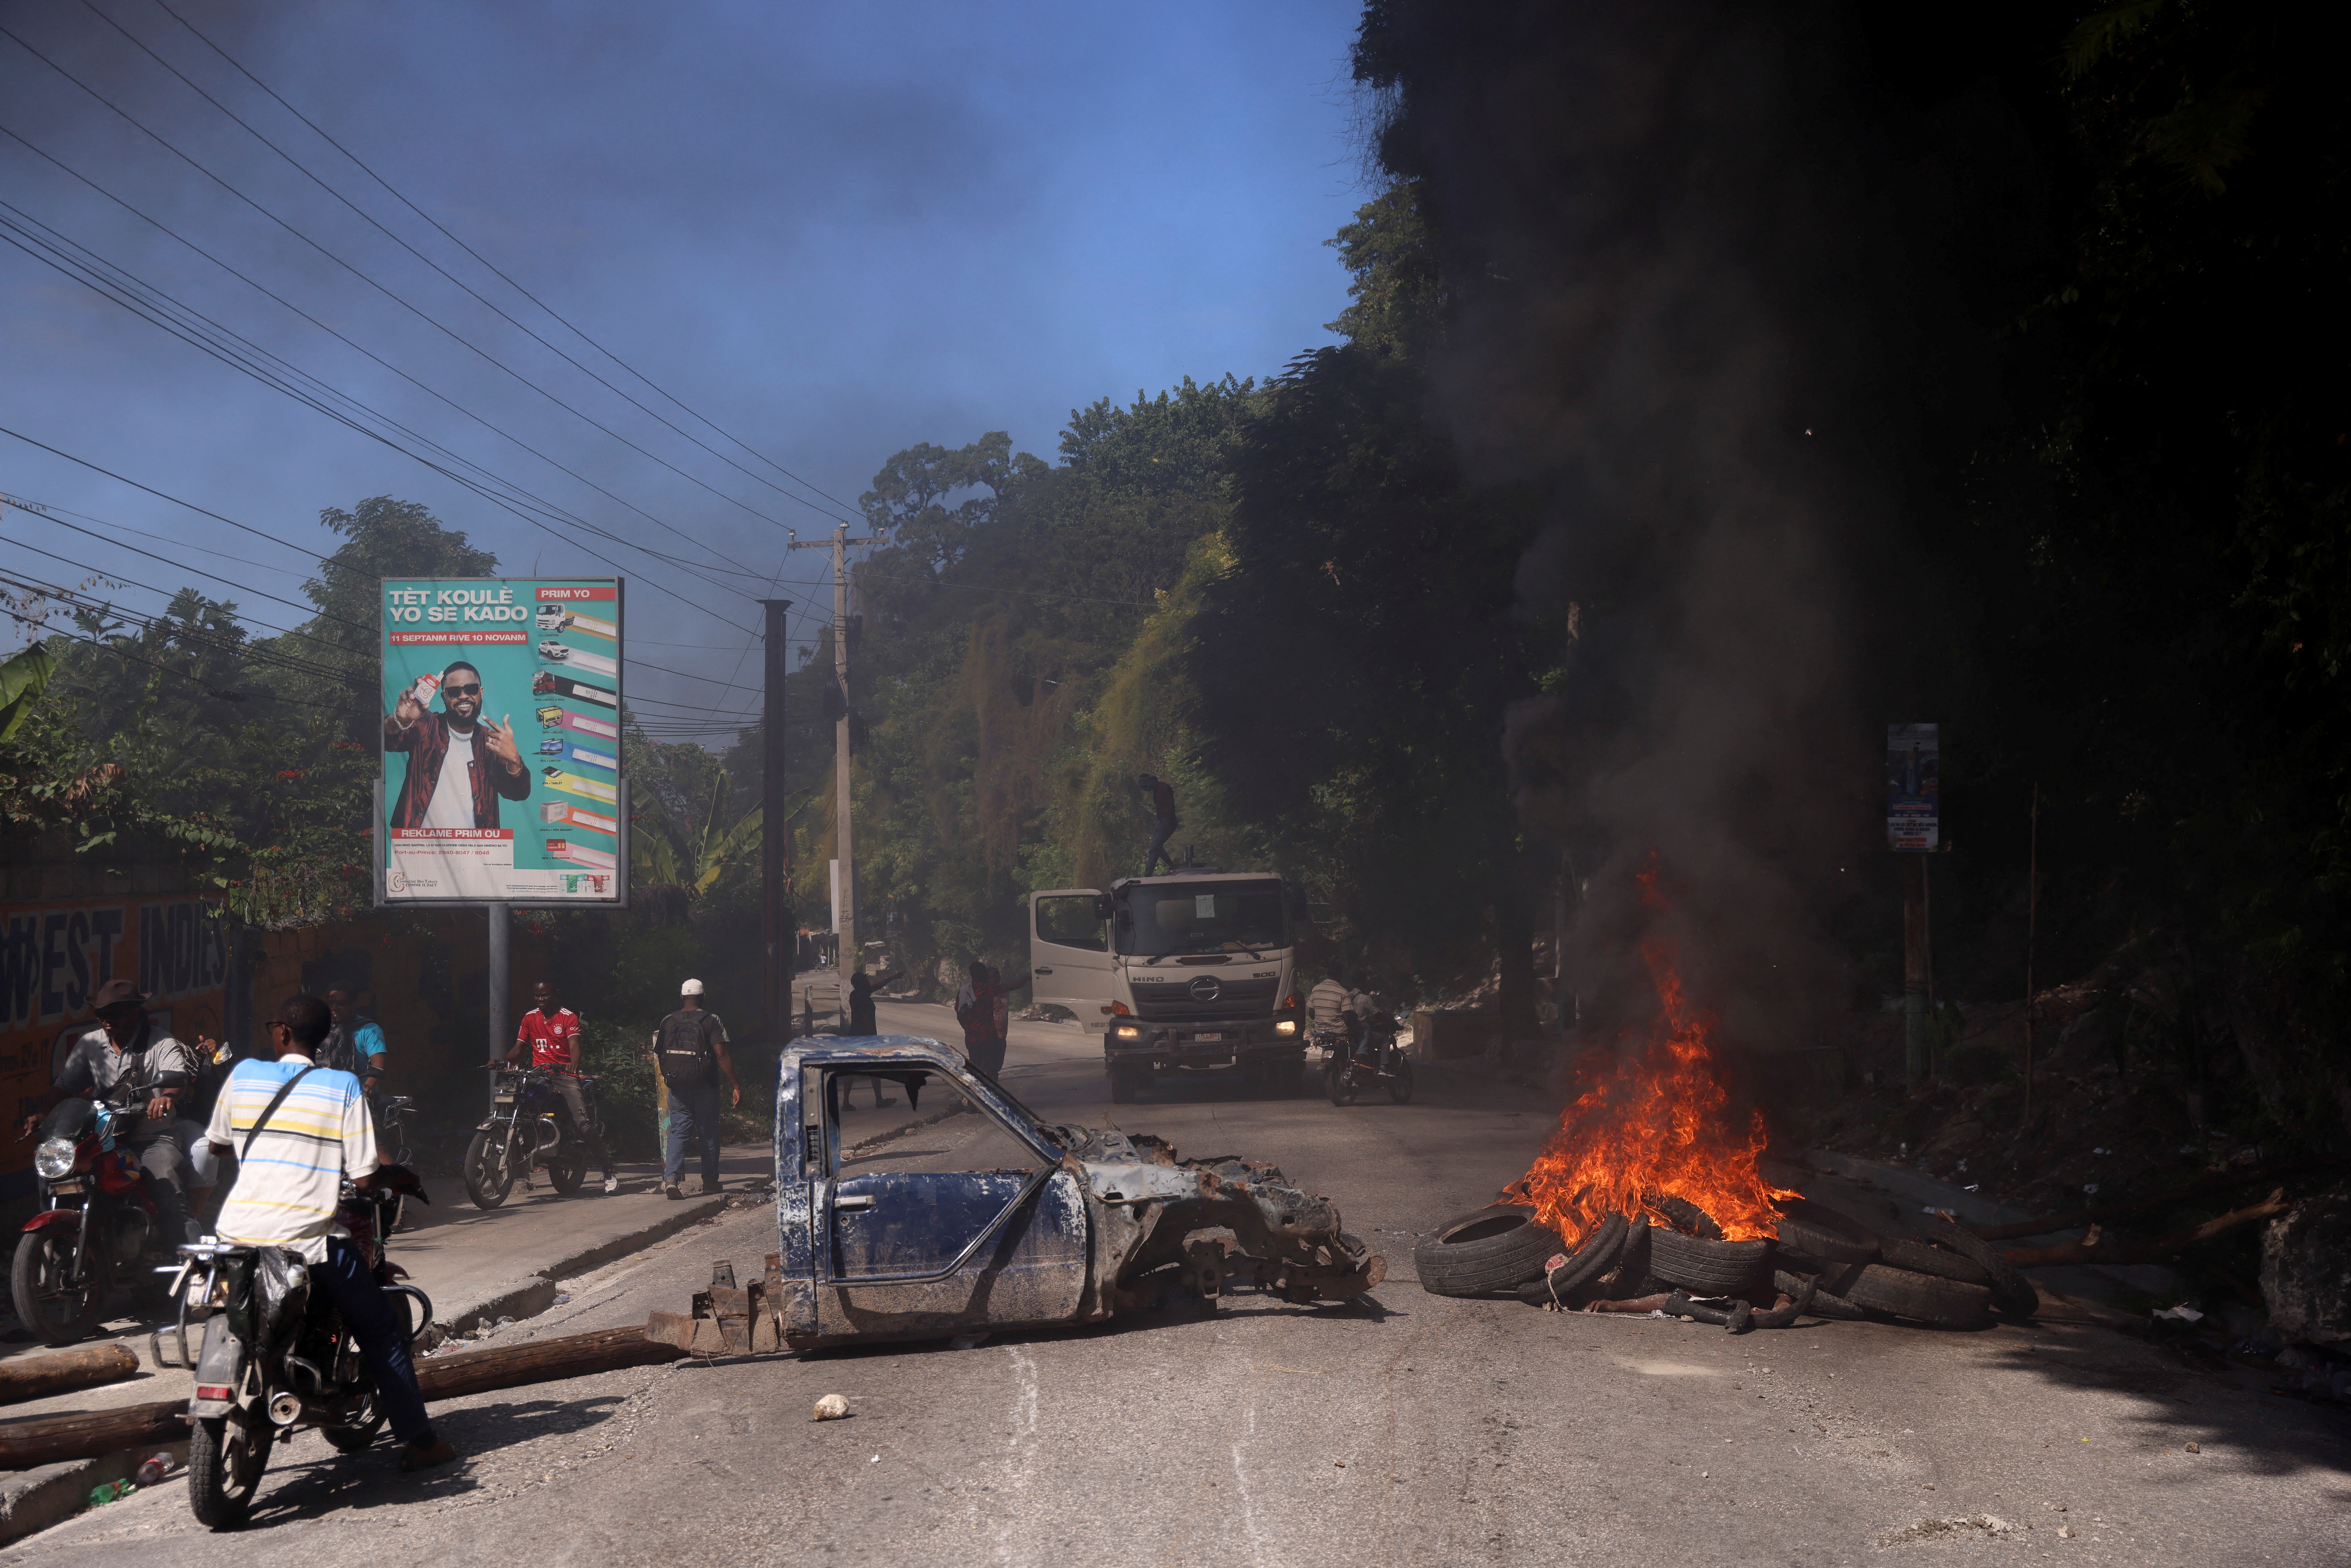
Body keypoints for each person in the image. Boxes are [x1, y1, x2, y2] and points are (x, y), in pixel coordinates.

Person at [205, 993, 456, 1474]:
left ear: (281, 1033)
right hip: (308, 1239)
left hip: (235, 1234)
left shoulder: (243, 1074)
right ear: (324, 1038)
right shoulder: (341, 1085)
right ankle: (421, 1441)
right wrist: (400, 1176)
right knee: (382, 1331)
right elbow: (365, 1177)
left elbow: (218, 1144)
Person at [21, 979, 199, 1247]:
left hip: (150, 1138)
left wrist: (166, 1098)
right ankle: (57, 1245)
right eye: (101, 1014)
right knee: (54, 1175)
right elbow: (64, 1086)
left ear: (135, 1012)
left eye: (114, 1013)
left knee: (168, 1193)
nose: (107, 1019)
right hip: (100, 1140)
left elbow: (177, 1080)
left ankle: (195, 1264)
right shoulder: (90, 1044)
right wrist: (43, 1113)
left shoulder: (161, 1042)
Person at [384, 659, 531, 829]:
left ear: (481, 693)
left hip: (477, 851)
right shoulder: (426, 726)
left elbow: (518, 793)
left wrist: (514, 760)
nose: (463, 696)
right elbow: (388, 742)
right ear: (444, 697)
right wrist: (399, 720)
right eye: (453, 692)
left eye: (471, 689)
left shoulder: (491, 742)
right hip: (419, 849)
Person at [505, 980, 618, 1194]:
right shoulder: (530, 1018)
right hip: (539, 1074)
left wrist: (573, 1064)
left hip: (564, 1075)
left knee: (583, 1126)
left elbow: (575, 1045)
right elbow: (519, 1048)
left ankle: (609, 1170)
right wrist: (502, 1061)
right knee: (514, 1099)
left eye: (545, 995)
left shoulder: (568, 1017)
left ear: (556, 994)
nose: (540, 1000)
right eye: (537, 996)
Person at [650, 979, 740, 1199]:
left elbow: (660, 1053)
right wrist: (736, 1085)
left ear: (681, 997)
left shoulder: (668, 1021)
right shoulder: (711, 1020)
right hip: (706, 1086)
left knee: (678, 1131)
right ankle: (710, 1182)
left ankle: (671, 1179)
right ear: (703, 997)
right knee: (708, 1133)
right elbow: (721, 1055)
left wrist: (672, 1078)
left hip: (677, 1086)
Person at [953, 960, 1029, 1081]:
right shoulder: (986, 989)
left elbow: (959, 1014)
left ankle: (973, 1096)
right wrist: (1028, 977)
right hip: (988, 1038)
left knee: (976, 1071)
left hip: (971, 1038)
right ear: (983, 975)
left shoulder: (964, 991)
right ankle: (990, 1096)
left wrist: (969, 1029)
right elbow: (1014, 986)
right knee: (991, 1071)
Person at [1136, 772, 1179, 876]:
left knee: (1156, 846)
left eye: (1146, 786)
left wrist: (1168, 822)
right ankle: (1148, 873)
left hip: (1168, 820)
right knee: (1155, 847)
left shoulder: (1163, 788)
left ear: (1151, 781)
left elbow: (1171, 806)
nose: (1146, 789)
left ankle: (1171, 867)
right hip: (1162, 821)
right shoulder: (1156, 790)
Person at [1306, 974, 1351, 1043]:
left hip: (1320, 1032)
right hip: (1339, 1032)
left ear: (1328, 975)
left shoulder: (1316, 989)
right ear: (1341, 976)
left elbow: (1312, 1014)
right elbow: (1347, 1019)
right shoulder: (1343, 992)